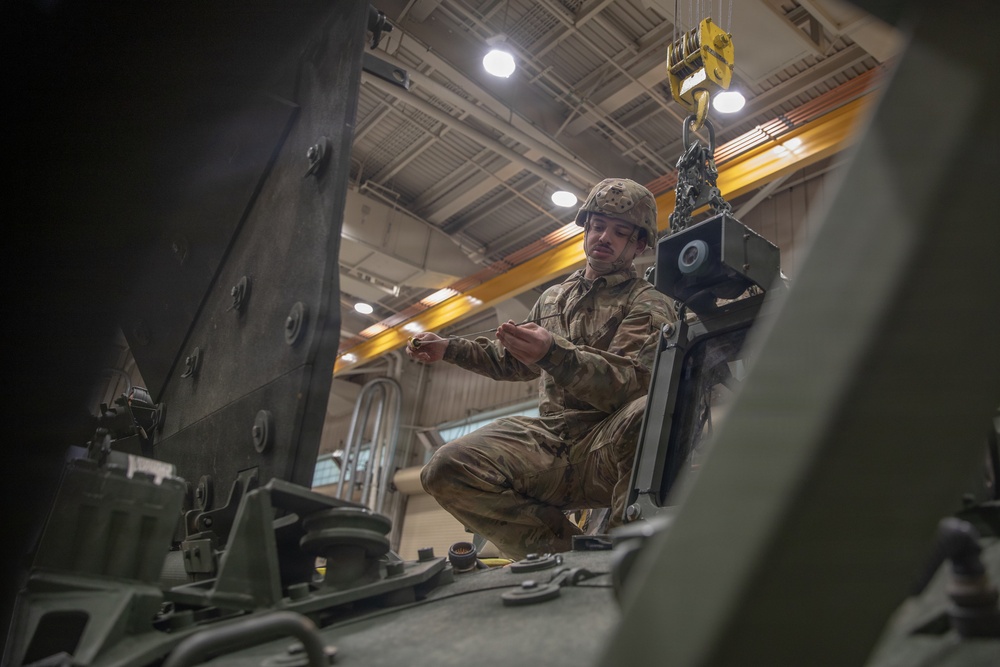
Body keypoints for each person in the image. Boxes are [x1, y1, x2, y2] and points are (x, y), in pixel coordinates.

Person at [406, 178, 676, 560]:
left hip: (608, 445)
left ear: (638, 245)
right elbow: (511, 362)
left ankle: (620, 558)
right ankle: (561, 555)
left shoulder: (647, 302)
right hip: (550, 443)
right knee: (446, 467)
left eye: (619, 232)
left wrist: (554, 354)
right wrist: (449, 348)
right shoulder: (553, 298)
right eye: (597, 226)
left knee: (650, 410)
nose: (604, 237)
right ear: (585, 228)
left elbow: (630, 385)